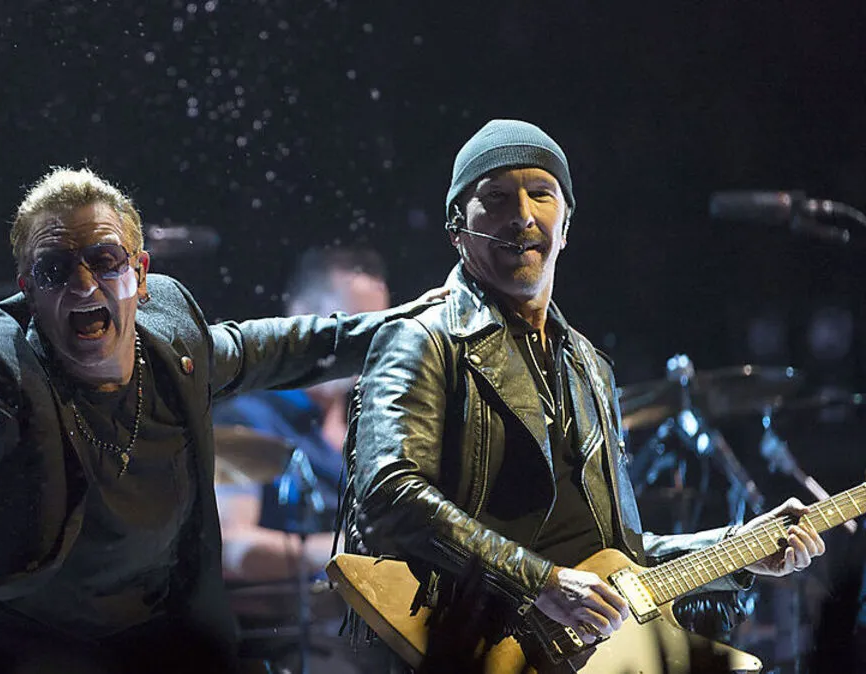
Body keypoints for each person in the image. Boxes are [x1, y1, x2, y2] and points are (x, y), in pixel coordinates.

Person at [0, 167, 443, 674]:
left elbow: (286, 345)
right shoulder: (3, 362)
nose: (83, 283)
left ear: (138, 274)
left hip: (147, 641)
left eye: (104, 260)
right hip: (13, 642)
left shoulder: (174, 344)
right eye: (55, 269)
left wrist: (416, 326)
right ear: (29, 292)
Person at [345, 119, 827, 671]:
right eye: (496, 198)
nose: (522, 215)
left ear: (566, 226)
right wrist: (542, 583)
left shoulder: (590, 367)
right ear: (457, 228)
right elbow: (388, 497)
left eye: (541, 194)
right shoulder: (421, 339)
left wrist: (740, 548)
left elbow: (623, 562)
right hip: (472, 647)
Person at [213, 246, 391, 583]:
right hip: (287, 615)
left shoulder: (374, 427)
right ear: (301, 317)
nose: (365, 345)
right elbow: (231, 546)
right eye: (352, 324)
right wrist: (349, 552)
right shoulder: (248, 418)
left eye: (375, 330)